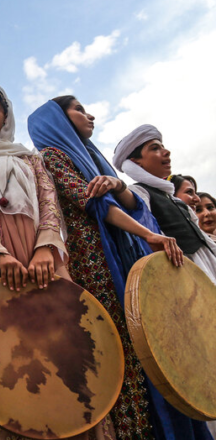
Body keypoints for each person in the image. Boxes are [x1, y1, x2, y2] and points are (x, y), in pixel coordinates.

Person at [29, 98, 207, 440]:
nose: (89, 114)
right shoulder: (53, 156)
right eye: (79, 109)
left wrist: (117, 184)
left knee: (145, 343)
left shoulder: (91, 158)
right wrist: (148, 234)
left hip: (119, 256)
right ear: (57, 119)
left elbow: (132, 203)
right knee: (121, 350)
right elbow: (93, 203)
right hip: (93, 261)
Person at [0, 83, 111, 440]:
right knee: (0, 354)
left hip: (42, 261)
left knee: (64, 350)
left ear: (6, 115)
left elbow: (50, 203)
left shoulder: (30, 160)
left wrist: (45, 249)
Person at [113, 124, 216, 284]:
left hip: (208, 265)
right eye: (155, 148)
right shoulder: (140, 191)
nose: (166, 152)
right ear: (136, 162)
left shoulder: (174, 199)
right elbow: (134, 205)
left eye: (163, 147)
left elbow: (203, 238)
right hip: (183, 271)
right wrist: (117, 185)